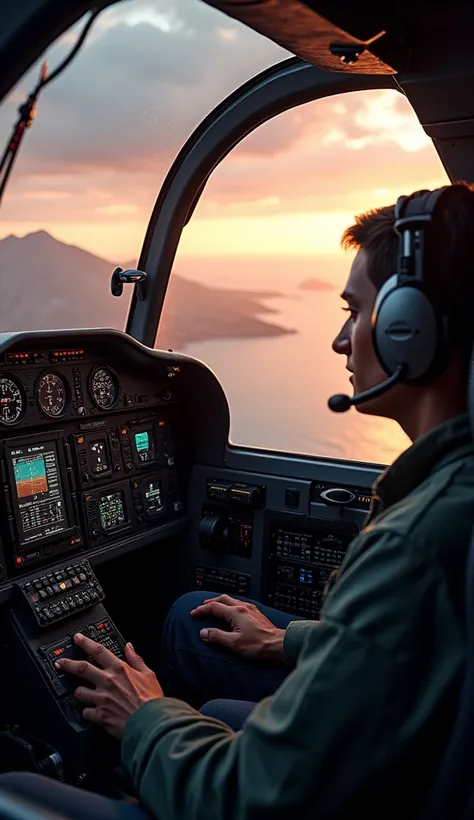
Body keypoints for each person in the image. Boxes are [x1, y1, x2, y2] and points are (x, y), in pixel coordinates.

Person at [2, 182, 474, 820]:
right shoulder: (446, 500)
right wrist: (289, 640)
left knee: (18, 790)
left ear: (408, 329)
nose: (341, 340)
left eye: (355, 311)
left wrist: (142, 718)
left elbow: (251, 799)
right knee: (194, 621)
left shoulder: (412, 545)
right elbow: (411, 648)